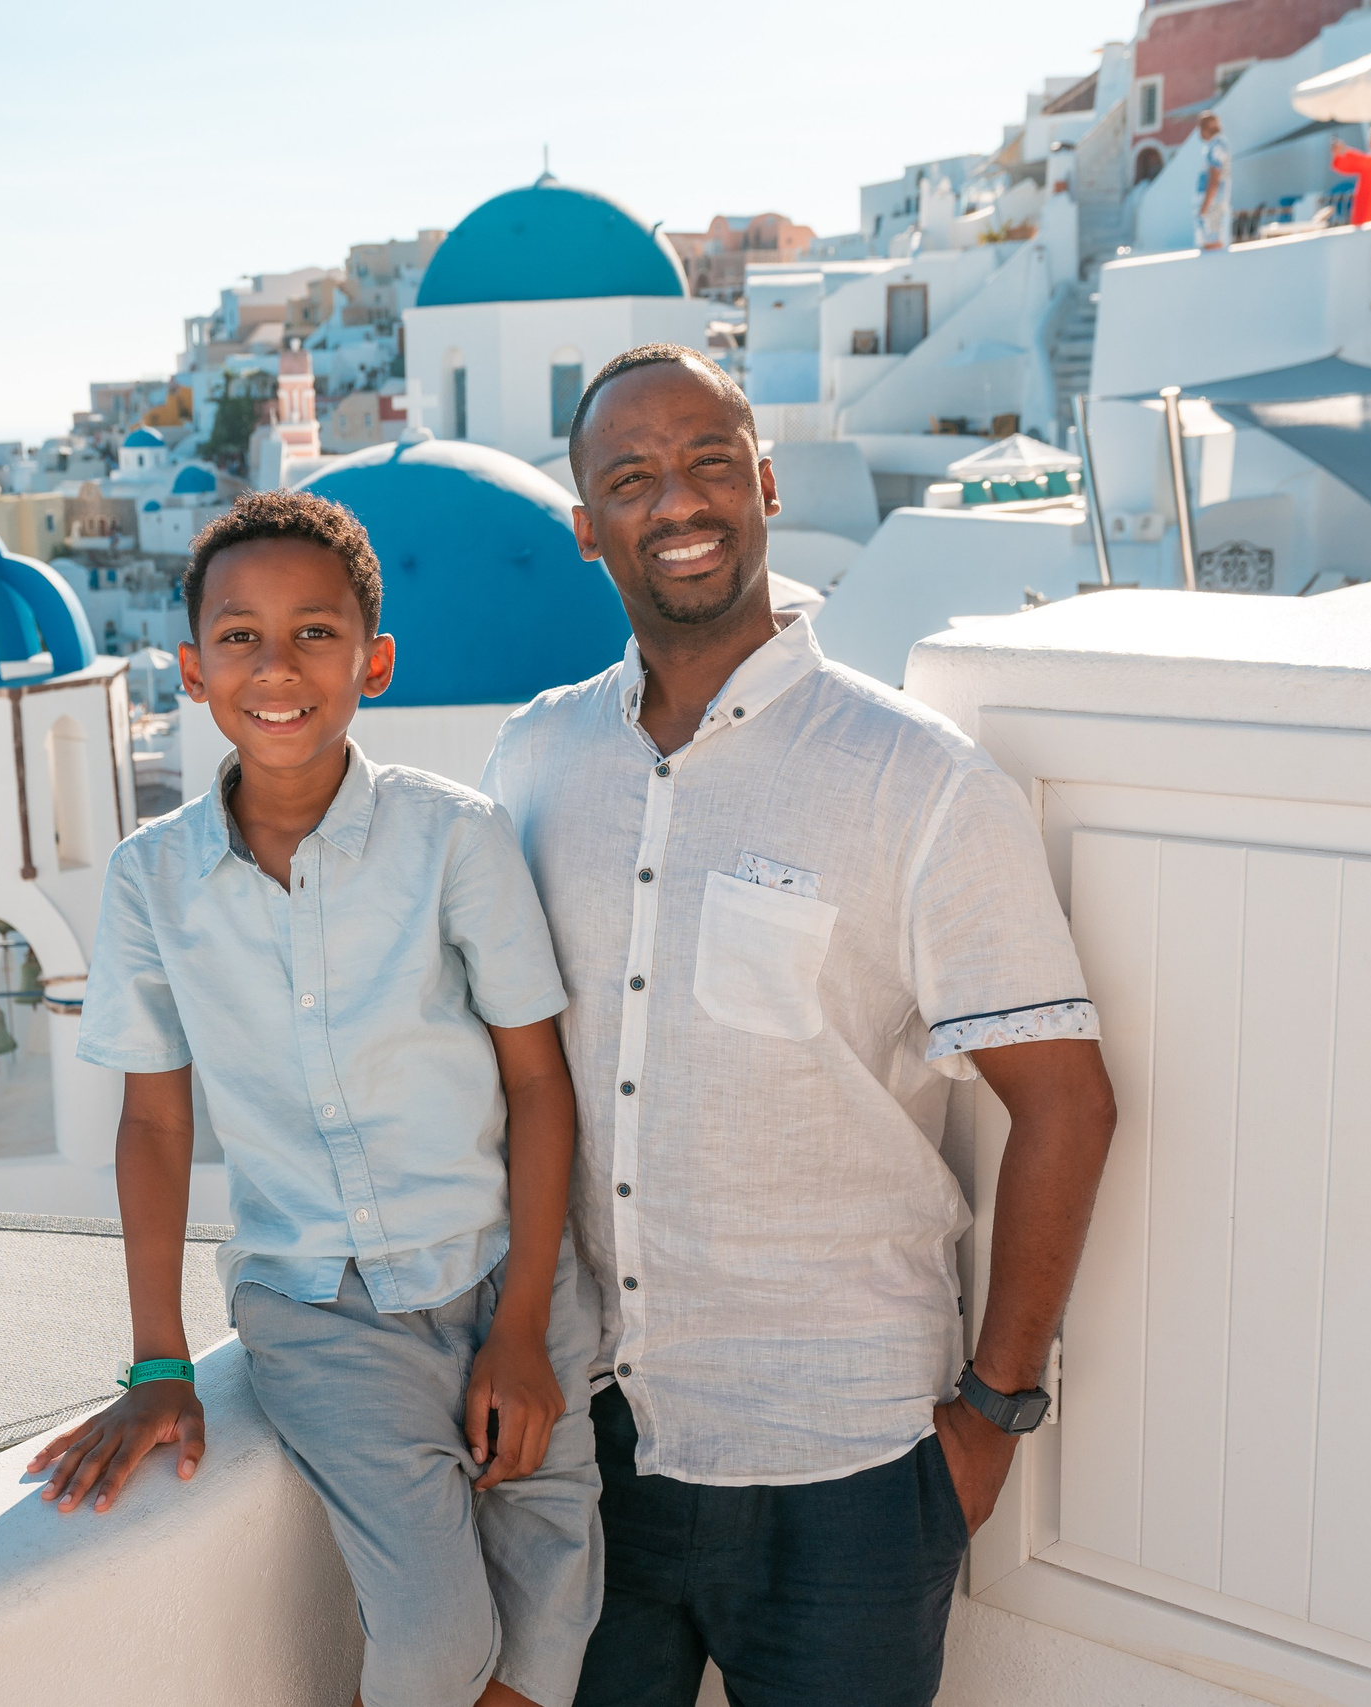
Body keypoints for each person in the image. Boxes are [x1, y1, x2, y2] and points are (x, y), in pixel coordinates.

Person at [481, 345, 1118, 1707]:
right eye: (631, 478)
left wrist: (994, 1415)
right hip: (594, 1452)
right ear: (587, 526)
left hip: (852, 1468)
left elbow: (1067, 1099)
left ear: (765, 484)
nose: (677, 501)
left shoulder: (917, 779)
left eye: (709, 461)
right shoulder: (535, 760)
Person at [29, 489, 604, 1707]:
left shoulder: (455, 838)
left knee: (547, 1635)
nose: (276, 667)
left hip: (510, 1277)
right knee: (437, 1643)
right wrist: (157, 1363)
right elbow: (154, 1123)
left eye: (314, 634)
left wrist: (519, 1330)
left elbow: (536, 1081)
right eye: (239, 636)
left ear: (372, 664)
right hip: (321, 1310)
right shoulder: (149, 880)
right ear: (192, 670)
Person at [1195, 110, 1232, 250]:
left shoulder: (1217, 146)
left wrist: (1204, 207)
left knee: (1212, 245)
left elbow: (1214, 179)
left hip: (1213, 204)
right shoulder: (1216, 144)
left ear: (1205, 129)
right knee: (1210, 244)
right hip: (1213, 203)